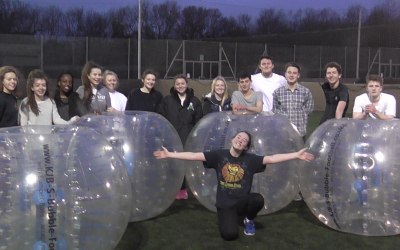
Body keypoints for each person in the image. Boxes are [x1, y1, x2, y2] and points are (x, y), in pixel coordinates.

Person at [153, 131, 314, 241]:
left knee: (257, 199)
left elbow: (272, 158)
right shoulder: (218, 155)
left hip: (242, 201)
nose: (241, 140)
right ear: (232, 139)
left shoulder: (250, 160)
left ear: (246, 147)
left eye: (244, 141)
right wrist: (169, 154)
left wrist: (296, 155)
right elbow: (194, 155)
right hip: (225, 205)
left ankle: (248, 219)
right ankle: (232, 219)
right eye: (239, 137)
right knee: (230, 235)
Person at [158, 74, 203, 199]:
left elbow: (198, 121)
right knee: (173, 164)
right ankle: (173, 188)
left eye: (182, 83)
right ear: (174, 85)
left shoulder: (195, 101)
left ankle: (185, 189)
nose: (180, 86)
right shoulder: (167, 100)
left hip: (188, 138)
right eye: (177, 84)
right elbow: (162, 118)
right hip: (172, 137)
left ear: (186, 84)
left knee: (187, 164)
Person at [273, 62, 314, 141]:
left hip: (300, 133)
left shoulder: (306, 92)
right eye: (289, 72)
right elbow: (275, 110)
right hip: (283, 133)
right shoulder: (277, 92)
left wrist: (300, 117)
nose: (291, 75)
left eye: (294, 73)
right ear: (285, 74)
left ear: (298, 75)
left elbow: (309, 110)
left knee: (300, 153)